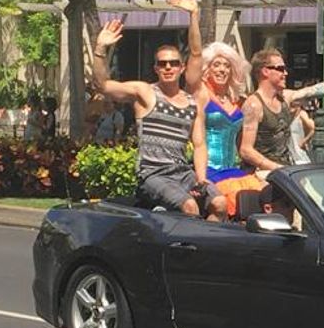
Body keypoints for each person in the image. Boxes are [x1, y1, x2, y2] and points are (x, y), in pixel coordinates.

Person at [92, 19, 227, 220]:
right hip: (152, 175)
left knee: (220, 204)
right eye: (162, 64)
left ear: (182, 68)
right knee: (190, 206)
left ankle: (205, 239)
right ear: (156, 68)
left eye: (173, 63)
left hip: (183, 173)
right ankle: (189, 240)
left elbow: (199, 145)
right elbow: (103, 85)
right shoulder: (145, 92)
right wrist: (100, 49)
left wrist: (201, 179)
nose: (168, 67)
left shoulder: (193, 104)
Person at [169, 0, 260, 217]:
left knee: (264, 196)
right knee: (227, 203)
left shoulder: (236, 99)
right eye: (217, 65)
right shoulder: (200, 92)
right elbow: (195, 54)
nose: (222, 70)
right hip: (208, 172)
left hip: (234, 170)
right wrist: (194, 16)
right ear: (207, 69)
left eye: (227, 66)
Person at [240, 47, 324, 176]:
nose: (285, 73)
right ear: (265, 71)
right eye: (280, 69)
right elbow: (246, 150)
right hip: (260, 176)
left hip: (284, 172)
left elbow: (318, 89)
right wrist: (276, 168)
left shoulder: (286, 98)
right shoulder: (253, 105)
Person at [288, 100, 316, 165]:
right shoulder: (289, 116)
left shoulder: (302, 114)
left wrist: (304, 141)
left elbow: (312, 128)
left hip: (299, 150)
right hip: (291, 149)